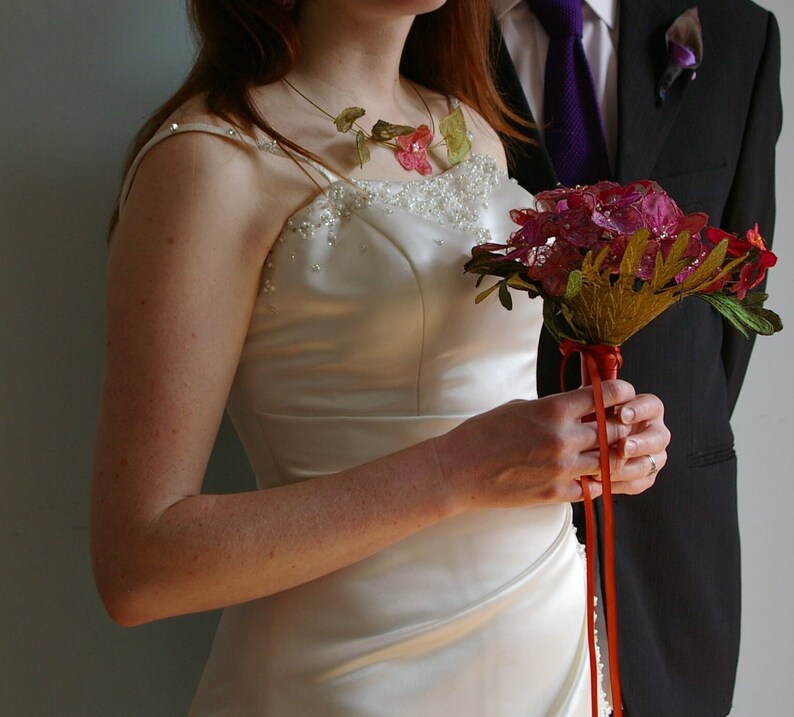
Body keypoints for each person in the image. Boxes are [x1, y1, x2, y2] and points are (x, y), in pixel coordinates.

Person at [90, 1, 671, 714]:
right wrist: (460, 468)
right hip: (352, 677)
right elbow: (139, 566)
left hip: (545, 651)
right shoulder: (211, 159)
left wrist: (597, 442)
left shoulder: (473, 138)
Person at [492, 1, 782, 715]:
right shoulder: (428, 28)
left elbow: (733, 291)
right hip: (487, 521)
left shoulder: (738, 32)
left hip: (676, 524)